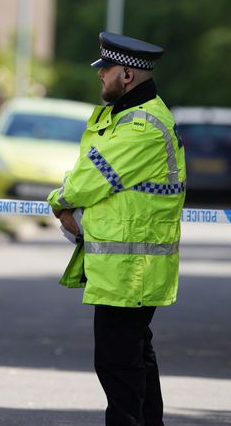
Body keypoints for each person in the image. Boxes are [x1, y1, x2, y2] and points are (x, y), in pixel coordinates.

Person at [47, 32, 186, 426]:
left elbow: (90, 178)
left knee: (118, 366)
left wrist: (59, 201)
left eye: (105, 69)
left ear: (126, 75)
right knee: (134, 359)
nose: (100, 75)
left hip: (132, 269)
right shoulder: (131, 116)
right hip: (128, 267)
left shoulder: (141, 126)